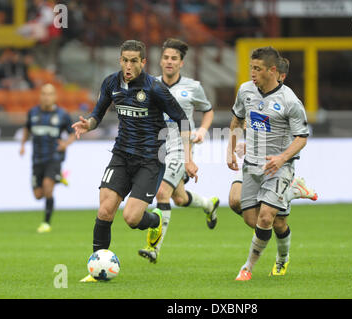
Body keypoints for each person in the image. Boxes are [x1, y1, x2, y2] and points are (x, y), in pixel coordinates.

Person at [72, 40, 198, 282]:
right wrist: (88, 124)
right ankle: (98, 268)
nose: (128, 66)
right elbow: (98, 113)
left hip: (150, 160)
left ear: (143, 62)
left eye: (134, 61)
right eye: (125, 60)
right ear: (120, 60)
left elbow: (182, 120)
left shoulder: (155, 88)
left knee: (131, 218)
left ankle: (155, 220)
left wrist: (188, 158)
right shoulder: (111, 82)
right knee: (105, 210)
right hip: (121, 155)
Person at [227, 47, 311, 281]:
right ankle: (293, 191)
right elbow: (237, 119)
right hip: (252, 165)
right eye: (251, 68)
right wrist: (230, 149)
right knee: (260, 220)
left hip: (279, 167)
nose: (252, 73)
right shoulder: (245, 91)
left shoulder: (289, 101)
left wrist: (282, 158)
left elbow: (302, 137)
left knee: (266, 217)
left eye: (257, 69)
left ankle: (248, 267)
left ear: (272, 71)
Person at [137, 38, 219, 264]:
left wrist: (202, 130)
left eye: (174, 58)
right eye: (166, 57)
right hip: (155, 147)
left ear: (182, 63)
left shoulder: (193, 87)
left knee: (162, 193)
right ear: (160, 61)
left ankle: (154, 247)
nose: (169, 61)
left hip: (180, 147)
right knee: (180, 198)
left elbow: (208, 110)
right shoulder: (150, 84)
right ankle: (208, 204)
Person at [20, 83, 75, 233]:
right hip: (37, 159)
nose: (46, 97)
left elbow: (73, 133)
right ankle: (58, 178)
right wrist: (23, 145)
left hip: (54, 157)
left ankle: (46, 223)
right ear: (40, 96)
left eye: (50, 94)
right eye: (44, 94)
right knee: (38, 195)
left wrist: (65, 144)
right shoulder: (33, 113)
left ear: (55, 97)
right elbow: (27, 129)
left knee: (47, 187)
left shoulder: (62, 114)